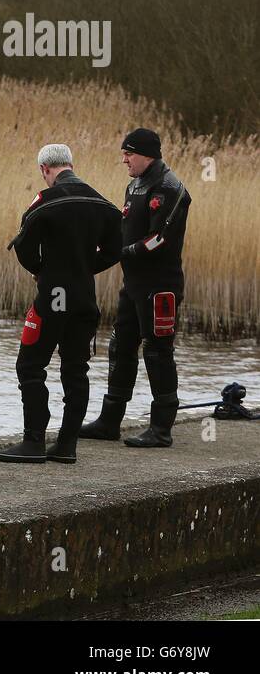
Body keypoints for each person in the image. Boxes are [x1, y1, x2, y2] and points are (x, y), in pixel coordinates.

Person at [0, 144, 122, 464]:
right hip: (84, 299)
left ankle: (33, 441)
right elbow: (116, 249)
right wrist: (84, 268)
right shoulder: (101, 202)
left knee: (30, 365)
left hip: (52, 298)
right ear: (70, 165)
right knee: (76, 370)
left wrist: (42, 270)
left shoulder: (45, 201)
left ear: (45, 170)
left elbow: (22, 246)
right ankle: (66, 445)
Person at [79, 128, 191, 448]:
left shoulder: (170, 188)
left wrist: (120, 253)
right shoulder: (134, 185)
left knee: (157, 351)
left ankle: (161, 428)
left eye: (128, 153)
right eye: (123, 153)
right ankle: (110, 421)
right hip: (134, 284)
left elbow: (159, 239)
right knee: (121, 345)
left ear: (147, 154)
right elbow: (124, 233)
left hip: (161, 286)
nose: (123, 159)